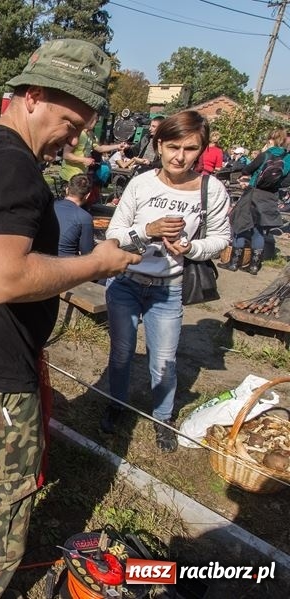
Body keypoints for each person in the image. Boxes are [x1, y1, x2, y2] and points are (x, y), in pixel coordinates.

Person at [0, 38, 141, 599]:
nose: (76, 138)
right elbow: (7, 278)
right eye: (71, 122)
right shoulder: (11, 167)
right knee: (3, 499)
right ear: (35, 96)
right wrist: (97, 263)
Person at [101, 111, 231, 452]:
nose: (180, 157)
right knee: (121, 353)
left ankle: (163, 418)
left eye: (190, 149)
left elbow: (221, 238)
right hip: (126, 282)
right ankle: (117, 405)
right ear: (159, 146)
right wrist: (148, 230)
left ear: (202, 149)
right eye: (173, 147)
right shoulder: (141, 184)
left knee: (163, 361)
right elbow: (114, 234)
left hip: (168, 289)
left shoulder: (211, 189)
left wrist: (191, 248)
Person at [219, 129, 289, 274]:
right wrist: (273, 184)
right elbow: (286, 181)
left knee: (240, 225)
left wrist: (253, 176)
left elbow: (247, 169)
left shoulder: (266, 154)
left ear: (271, 140)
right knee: (259, 230)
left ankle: (234, 263)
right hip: (271, 196)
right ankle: (254, 266)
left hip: (253, 192)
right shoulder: (288, 158)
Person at [55, 173, 95, 256]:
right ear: (87, 195)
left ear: (67, 189)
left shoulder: (49, 206)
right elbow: (87, 253)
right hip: (66, 261)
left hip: (40, 258)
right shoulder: (84, 217)